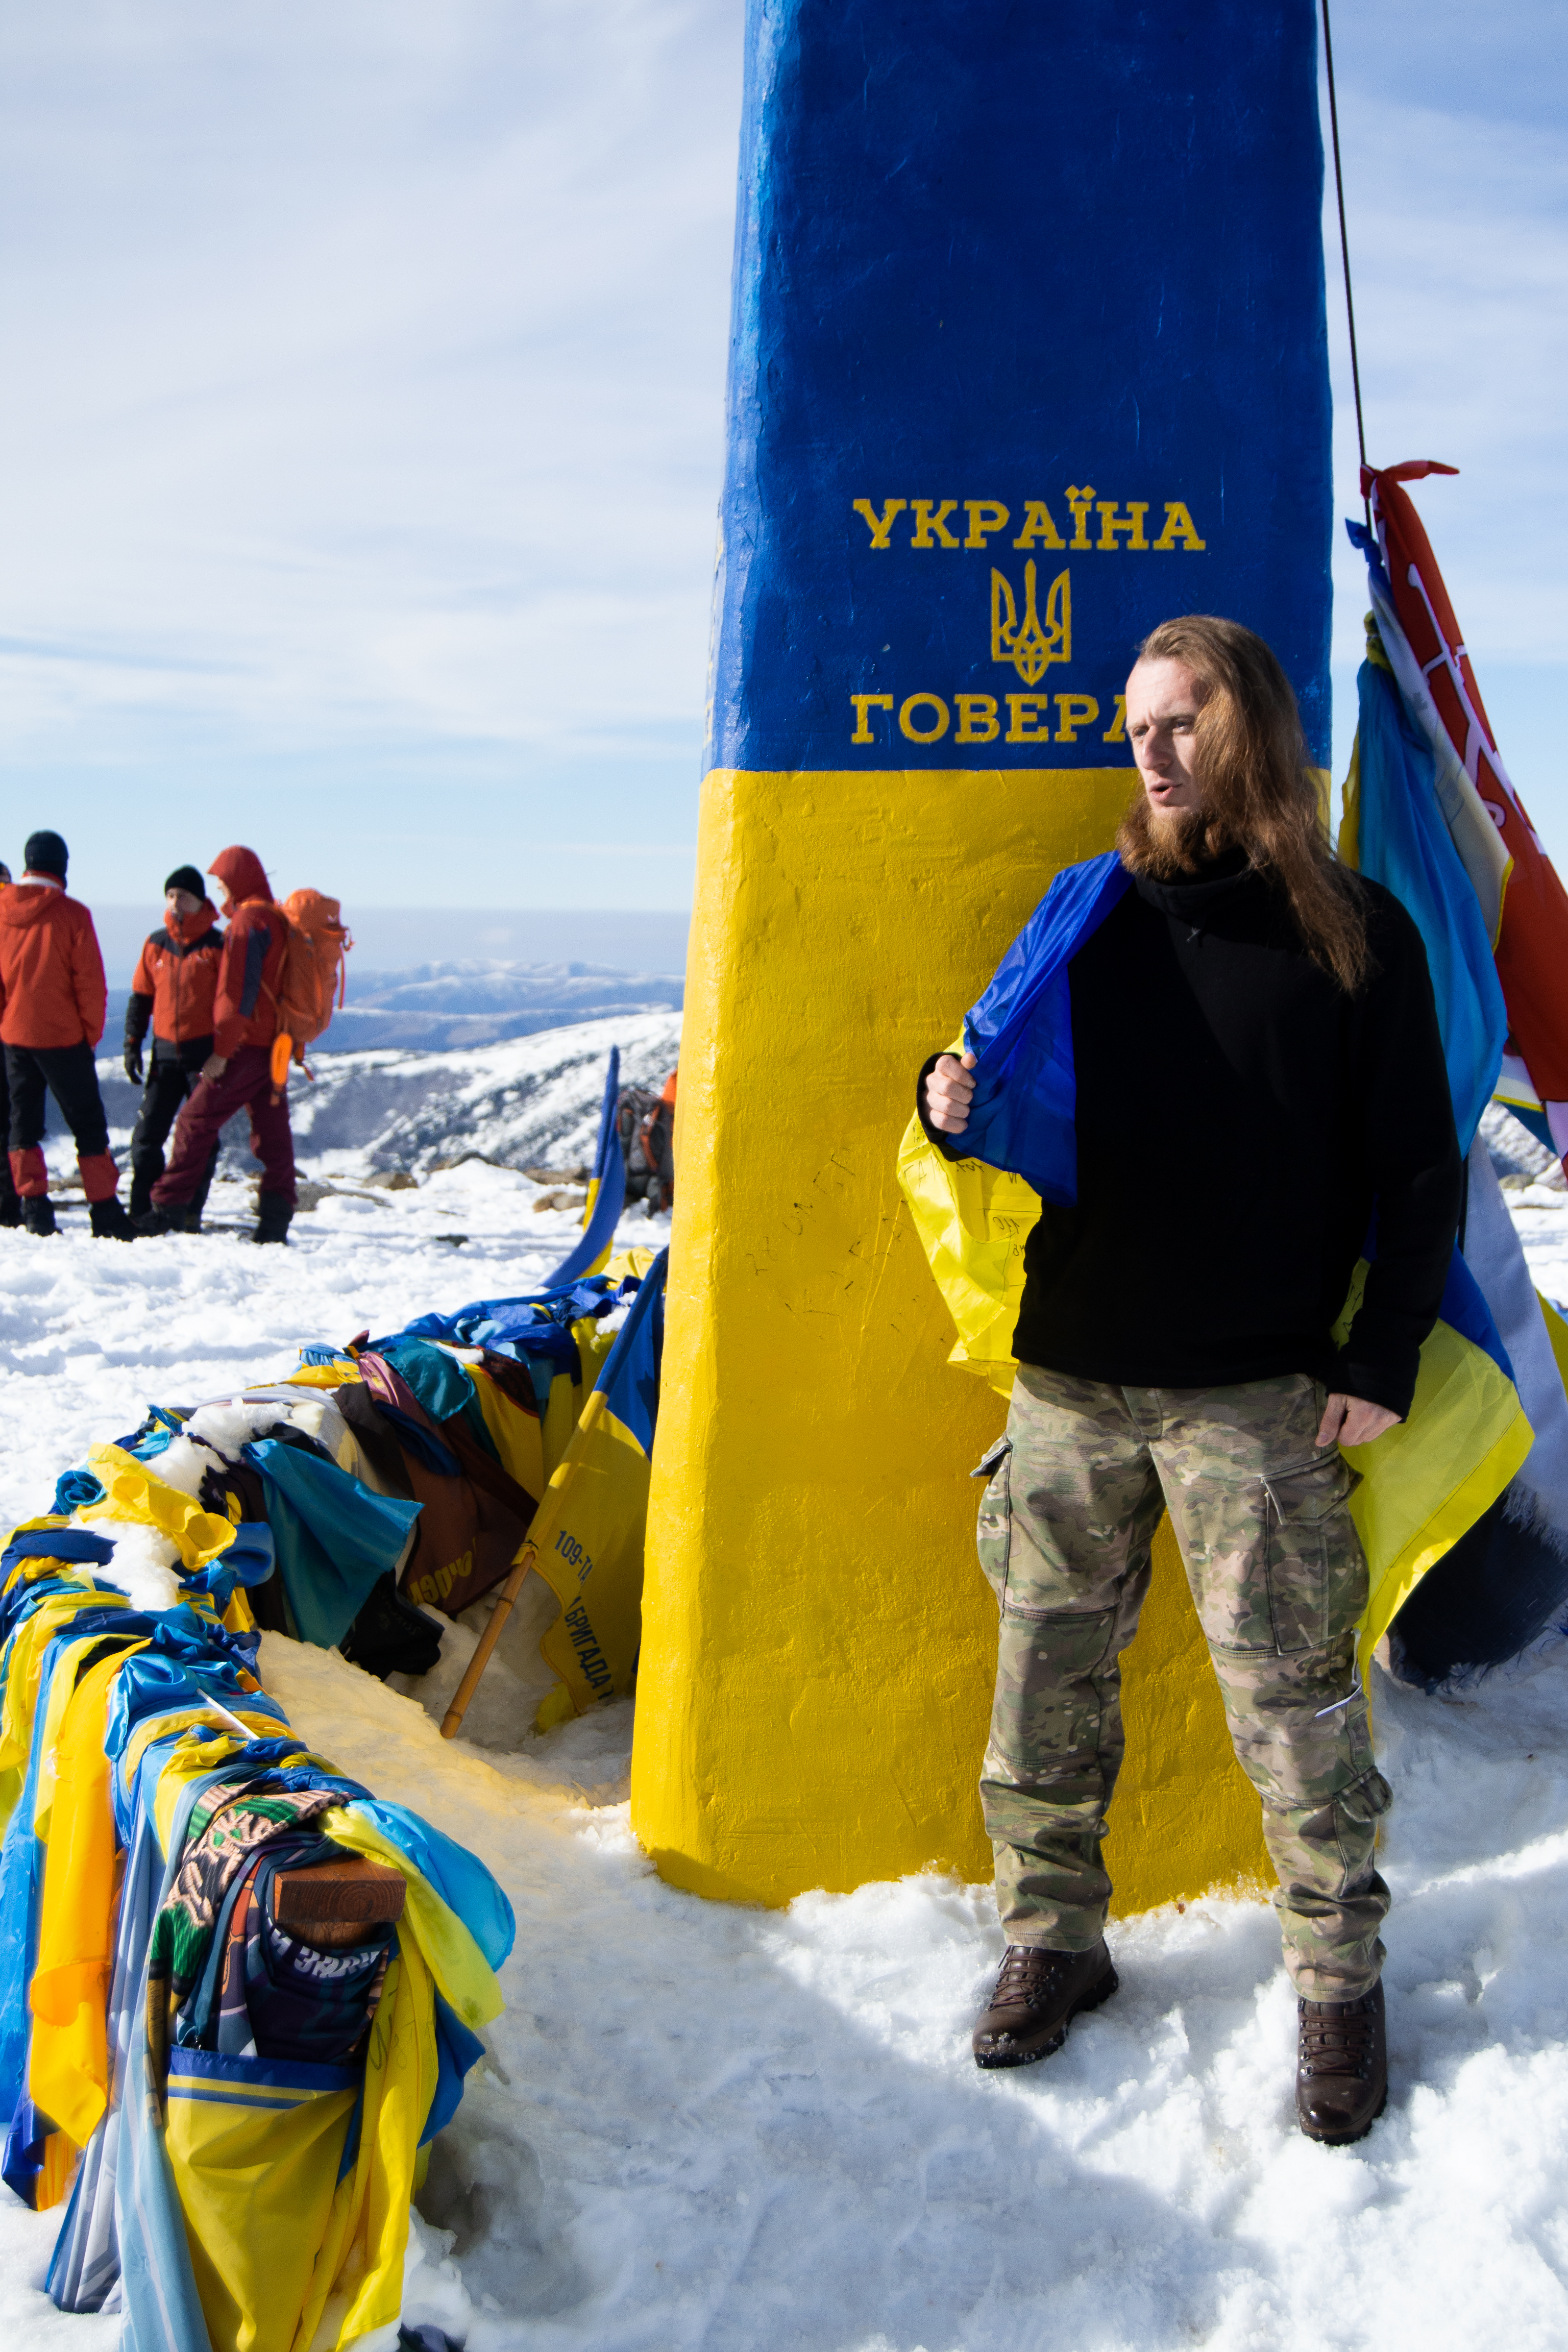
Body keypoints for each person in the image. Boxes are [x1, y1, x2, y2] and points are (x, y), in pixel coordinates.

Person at [919, 616, 1460, 2146]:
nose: (1149, 757)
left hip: (1255, 1395)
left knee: (1295, 1709)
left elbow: (1417, 1170)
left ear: (1250, 735)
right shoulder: (1088, 915)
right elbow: (997, 1077)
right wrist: (944, 1099)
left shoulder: (1354, 931)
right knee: (1044, 1691)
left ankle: (1336, 1982)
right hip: (1072, 1379)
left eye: (1180, 726)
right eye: (1136, 729)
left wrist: (1377, 1360)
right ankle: (1053, 1943)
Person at [136, 845, 298, 1244]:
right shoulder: (276, 917)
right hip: (275, 1043)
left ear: (238, 879)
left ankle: (168, 1209)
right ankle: (276, 1220)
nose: (220, 889)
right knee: (273, 1133)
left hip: (247, 1045)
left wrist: (221, 1053)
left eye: (223, 882)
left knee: (195, 1121)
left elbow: (235, 995)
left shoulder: (246, 924)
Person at [0, 831, 135, 1239]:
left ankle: (36, 1212)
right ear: (62, 867)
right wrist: (89, 1037)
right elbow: (91, 985)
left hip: (15, 1034)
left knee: (22, 1126)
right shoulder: (73, 913)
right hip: (63, 1038)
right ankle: (106, 1214)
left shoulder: (2, 910)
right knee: (88, 1125)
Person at [123, 866, 226, 1223]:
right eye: (170, 895)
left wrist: (224, 1052)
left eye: (182, 895)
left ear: (200, 901)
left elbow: (231, 1004)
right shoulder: (156, 943)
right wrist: (132, 1043)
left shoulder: (217, 945)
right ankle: (143, 1210)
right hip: (164, 1056)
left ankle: (188, 1211)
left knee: (201, 1140)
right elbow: (140, 996)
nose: (175, 902)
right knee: (147, 1137)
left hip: (204, 1056)